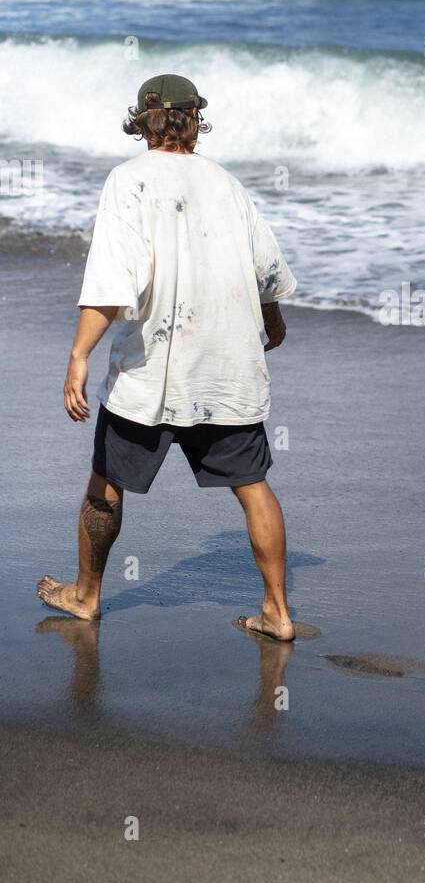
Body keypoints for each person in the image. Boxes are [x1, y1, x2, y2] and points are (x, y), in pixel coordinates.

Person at [37, 75, 298, 641]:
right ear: (195, 119)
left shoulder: (127, 181)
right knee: (253, 485)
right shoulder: (227, 183)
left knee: (106, 479)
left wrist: (79, 353)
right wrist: (272, 321)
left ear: (142, 122)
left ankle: (86, 596)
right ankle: (278, 612)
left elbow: (113, 281)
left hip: (150, 371)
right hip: (226, 368)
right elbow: (266, 270)